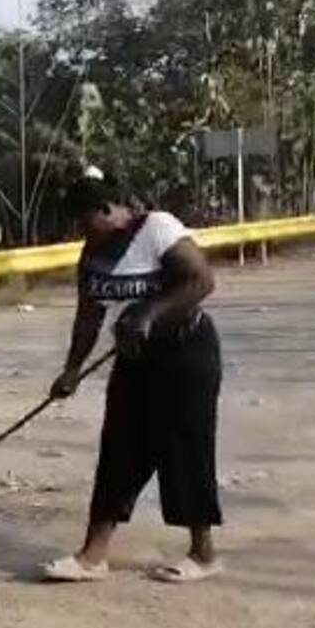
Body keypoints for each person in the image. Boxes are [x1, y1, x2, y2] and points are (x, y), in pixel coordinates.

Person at [43, 175, 224, 584]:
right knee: (119, 450)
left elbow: (201, 281)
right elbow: (88, 317)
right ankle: (93, 556)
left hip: (187, 353)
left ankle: (203, 553)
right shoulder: (92, 254)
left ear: (108, 209)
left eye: (85, 221)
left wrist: (147, 314)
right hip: (135, 358)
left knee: (184, 448)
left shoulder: (156, 229)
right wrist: (72, 369)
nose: (81, 231)